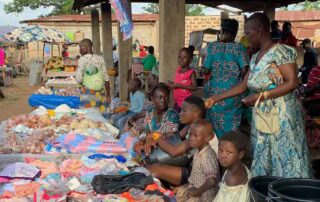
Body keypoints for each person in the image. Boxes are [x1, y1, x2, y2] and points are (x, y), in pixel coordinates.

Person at [205, 13, 311, 178]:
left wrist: (261, 96)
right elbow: (243, 86)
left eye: (248, 33)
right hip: (262, 118)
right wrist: (215, 98)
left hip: (282, 119)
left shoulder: (281, 52)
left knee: (285, 159)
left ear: (260, 31)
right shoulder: (255, 57)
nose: (246, 38)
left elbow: (292, 82)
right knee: (265, 159)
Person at [147, 96, 219, 187]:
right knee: (156, 162)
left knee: (154, 169)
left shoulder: (200, 131)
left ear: (196, 113)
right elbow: (176, 135)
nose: (180, 114)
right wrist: (153, 138)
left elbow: (174, 152)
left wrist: (155, 135)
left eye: (184, 111)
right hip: (194, 166)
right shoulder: (193, 125)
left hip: (203, 176)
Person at [202, 19, 249, 138]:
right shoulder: (239, 48)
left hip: (215, 92)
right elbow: (245, 70)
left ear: (222, 30)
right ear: (236, 31)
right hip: (234, 92)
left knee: (215, 123)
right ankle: (232, 149)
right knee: (232, 124)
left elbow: (206, 70)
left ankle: (218, 149)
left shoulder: (212, 47)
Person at [175, 120, 219, 202]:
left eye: (196, 135)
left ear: (208, 138)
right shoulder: (199, 150)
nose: (191, 138)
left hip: (203, 197)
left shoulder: (206, 157)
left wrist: (196, 192)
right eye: (190, 134)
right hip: (194, 188)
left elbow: (212, 180)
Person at [76, 39, 111, 117]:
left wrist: (81, 82)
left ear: (84, 48)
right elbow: (106, 78)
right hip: (100, 92)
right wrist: (108, 95)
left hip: (88, 93)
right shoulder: (100, 58)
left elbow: (79, 79)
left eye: (80, 47)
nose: (79, 50)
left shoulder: (82, 59)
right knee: (100, 115)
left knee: (88, 116)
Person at [214, 131, 251, 202]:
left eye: (228, 152)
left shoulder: (233, 178)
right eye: (220, 150)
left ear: (240, 154)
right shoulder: (236, 167)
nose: (222, 155)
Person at [168, 48, 197, 113]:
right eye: (179, 57)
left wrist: (179, 85)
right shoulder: (178, 70)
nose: (181, 60)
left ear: (191, 60)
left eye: (184, 57)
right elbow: (177, 82)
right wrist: (172, 84)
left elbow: (194, 87)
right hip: (177, 101)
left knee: (183, 119)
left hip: (185, 102)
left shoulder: (191, 72)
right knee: (176, 117)